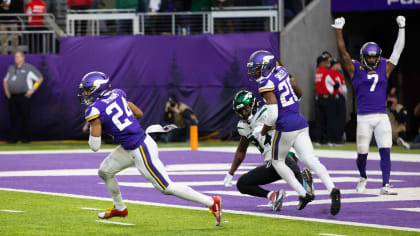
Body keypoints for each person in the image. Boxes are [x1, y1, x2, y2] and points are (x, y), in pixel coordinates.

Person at [78, 71, 222, 226]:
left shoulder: (94, 110)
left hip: (140, 148)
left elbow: (95, 146)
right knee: (105, 172)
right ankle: (120, 208)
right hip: (131, 145)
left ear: (96, 89)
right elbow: (138, 113)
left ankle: (211, 202)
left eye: (87, 90)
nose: (85, 94)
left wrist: (96, 124)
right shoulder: (117, 94)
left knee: (166, 187)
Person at [246, 50, 341, 215]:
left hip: (286, 126)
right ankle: (331, 187)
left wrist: (265, 128)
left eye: (257, 69)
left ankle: (303, 193)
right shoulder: (282, 70)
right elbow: (298, 91)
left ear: (265, 67)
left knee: (277, 161)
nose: (254, 72)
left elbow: (273, 115)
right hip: (300, 121)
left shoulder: (265, 84)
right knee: (310, 159)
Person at [332, 15, 405, 195]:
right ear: (364, 57)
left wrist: (402, 29)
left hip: (381, 116)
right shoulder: (355, 68)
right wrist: (339, 30)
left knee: (385, 149)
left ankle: (385, 185)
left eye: (374, 57)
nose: (372, 60)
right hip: (363, 116)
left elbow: (397, 51)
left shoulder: (384, 67)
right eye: (369, 57)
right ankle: (363, 177)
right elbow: (343, 53)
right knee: (362, 153)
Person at [223, 90, 314, 211]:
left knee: (283, 159)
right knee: (242, 184)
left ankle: (304, 184)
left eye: (246, 109)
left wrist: (276, 125)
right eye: (240, 111)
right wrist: (231, 173)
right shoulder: (243, 126)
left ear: (253, 104)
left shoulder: (267, 112)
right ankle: (273, 196)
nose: (244, 113)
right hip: (271, 163)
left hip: (286, 152)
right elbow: (241, 150)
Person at [3, 51, 43, 143]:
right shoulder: (11, 68)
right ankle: (13, 138)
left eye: (18, 57)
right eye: (15, 57)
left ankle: (26, 138)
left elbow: (40, 78)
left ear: (23, 58)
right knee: (13, 118)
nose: (16, 58)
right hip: (13, 97)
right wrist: (7, 92)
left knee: (25, 117)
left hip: (24, 96)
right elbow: (5, 80)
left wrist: (32, 90)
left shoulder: (28, 68)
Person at [313, 54, 335, 145]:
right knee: (329, 119)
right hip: (326, 97)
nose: (327, 63)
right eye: (326, 61)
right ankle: (328, 140)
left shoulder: (317, 72)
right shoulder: (327, 72)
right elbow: (335, 84)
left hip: (318, 98)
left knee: (319, 120)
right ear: (322, 62)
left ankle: (319, 140)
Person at [330, 59, 347, 145]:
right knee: (340, 119)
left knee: (332, 119)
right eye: (338, 64)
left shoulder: (327, 74)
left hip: (330, 98)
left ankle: (332, 139)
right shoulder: (338, 75)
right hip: (339, 97)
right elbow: (344, 90)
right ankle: (338, 139)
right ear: (335, 65)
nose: (339, 66)